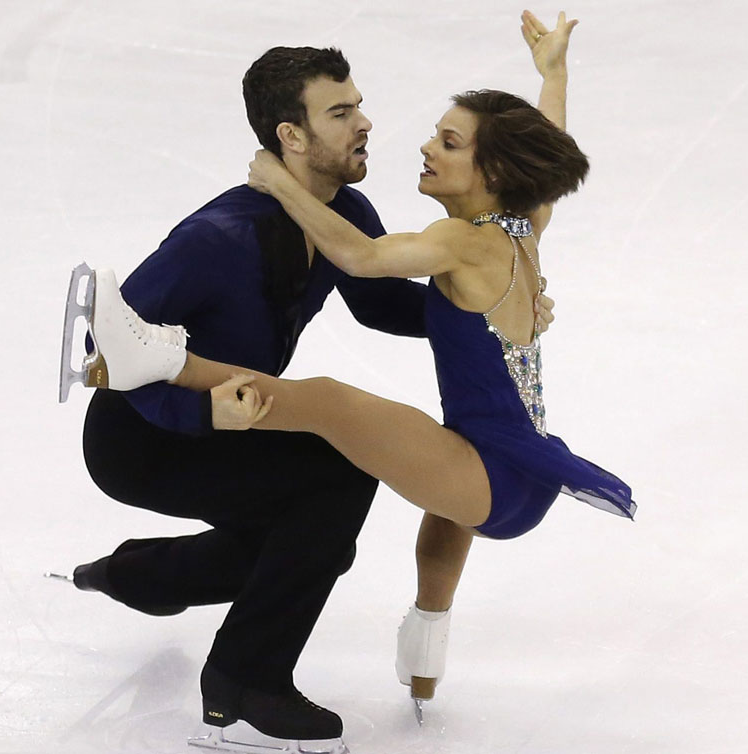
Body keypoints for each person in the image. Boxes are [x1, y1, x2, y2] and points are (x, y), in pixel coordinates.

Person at [68, 6, 636, 724]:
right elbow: (103, 355)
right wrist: (199, 404)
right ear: (291, 135)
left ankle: (154, 588)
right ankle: (223, 664)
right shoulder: (218, 237)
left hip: (256, 423)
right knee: (323, 481)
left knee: (324, 505)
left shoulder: (356, 216)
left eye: (360, 106)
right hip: (147, 436)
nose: (367, 123)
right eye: (342, 112)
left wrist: (483, 319)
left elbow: (372, 285)